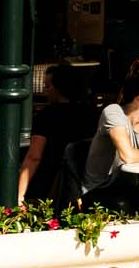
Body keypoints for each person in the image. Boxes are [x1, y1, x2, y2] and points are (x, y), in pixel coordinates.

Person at [20, 64, 97, 201]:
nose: (45, 91)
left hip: (48, 185)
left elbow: (34, 157)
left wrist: (19, 194)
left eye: (48, 86)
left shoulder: (46, 116)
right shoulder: (92, 114)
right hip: (83, 184)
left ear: (58, 89)